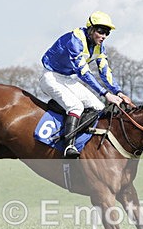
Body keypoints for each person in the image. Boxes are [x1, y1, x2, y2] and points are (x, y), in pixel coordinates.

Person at [40, 11, 135, 158]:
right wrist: (105, 93)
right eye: (100, 31)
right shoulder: (75, 40)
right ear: (91, 29)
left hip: (66, 78)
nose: (103, 36)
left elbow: (105, 72)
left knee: (99, 107)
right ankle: (68, 145)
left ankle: (81, 141)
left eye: (107, 33)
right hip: (50, 77)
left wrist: (119, 92)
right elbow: (83, 72)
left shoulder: (99, 47)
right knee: (76, 106)